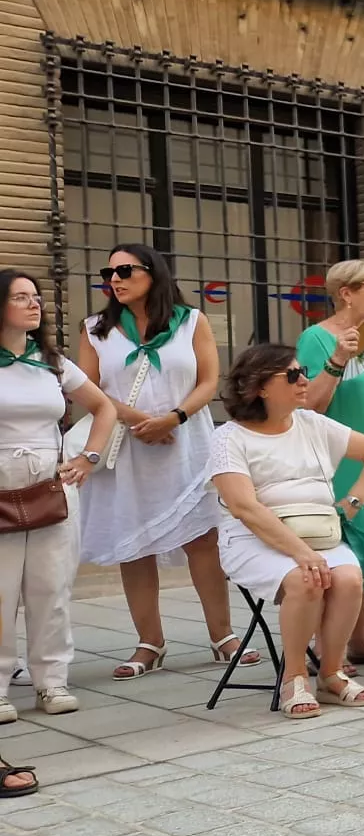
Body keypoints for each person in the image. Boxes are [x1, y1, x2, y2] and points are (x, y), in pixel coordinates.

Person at [76, 243, 259, 683]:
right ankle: (149, 642)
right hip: (127, 447)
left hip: (185, 443)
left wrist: (173, 417)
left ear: (153, 274)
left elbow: (210, 379)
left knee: (202, 538)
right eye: (109, 272)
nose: (114, 279)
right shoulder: (95, 330)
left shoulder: (191, 321)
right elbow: (85, 389)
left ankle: (223, 636)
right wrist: (143, 421)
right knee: (133, 545)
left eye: (125, 270)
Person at [211, 344, 364, 718]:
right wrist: (299, 551)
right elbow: (244, 507)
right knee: (306, 579)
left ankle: (331, 672)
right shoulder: (228, 438)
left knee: (348, 578)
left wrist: (352, 502)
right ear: (260, 387)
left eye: (303, 371)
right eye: (292, 375)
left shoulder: (312, 423)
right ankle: (294, 678)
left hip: (319, 532)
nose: (304, 380)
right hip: (253, 540)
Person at [0, 271, 115, 723]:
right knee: (0, 591)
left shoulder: (51, 360)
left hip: (52, 484)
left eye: (36, 298)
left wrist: (88, 456)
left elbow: (104, 406)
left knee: (52, 587)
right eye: (20, 297)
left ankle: (52, 682)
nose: (34, 305)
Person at [296, 259, 364, 665]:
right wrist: (338, 360)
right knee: (342, 554)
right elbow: (309, 404)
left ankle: (361, 640)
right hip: (340, 464)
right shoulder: (317, 338)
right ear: (346, 293)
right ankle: (329, 650)